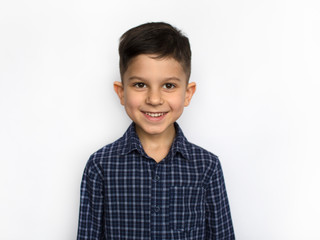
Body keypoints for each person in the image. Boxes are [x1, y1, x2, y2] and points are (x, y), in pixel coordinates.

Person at [77, 22, 235, 240]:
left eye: (168, 86)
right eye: (140, 85)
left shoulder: (207, 167)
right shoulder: (100, 165)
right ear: (121, 92)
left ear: (187, 94)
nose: (154, 99)